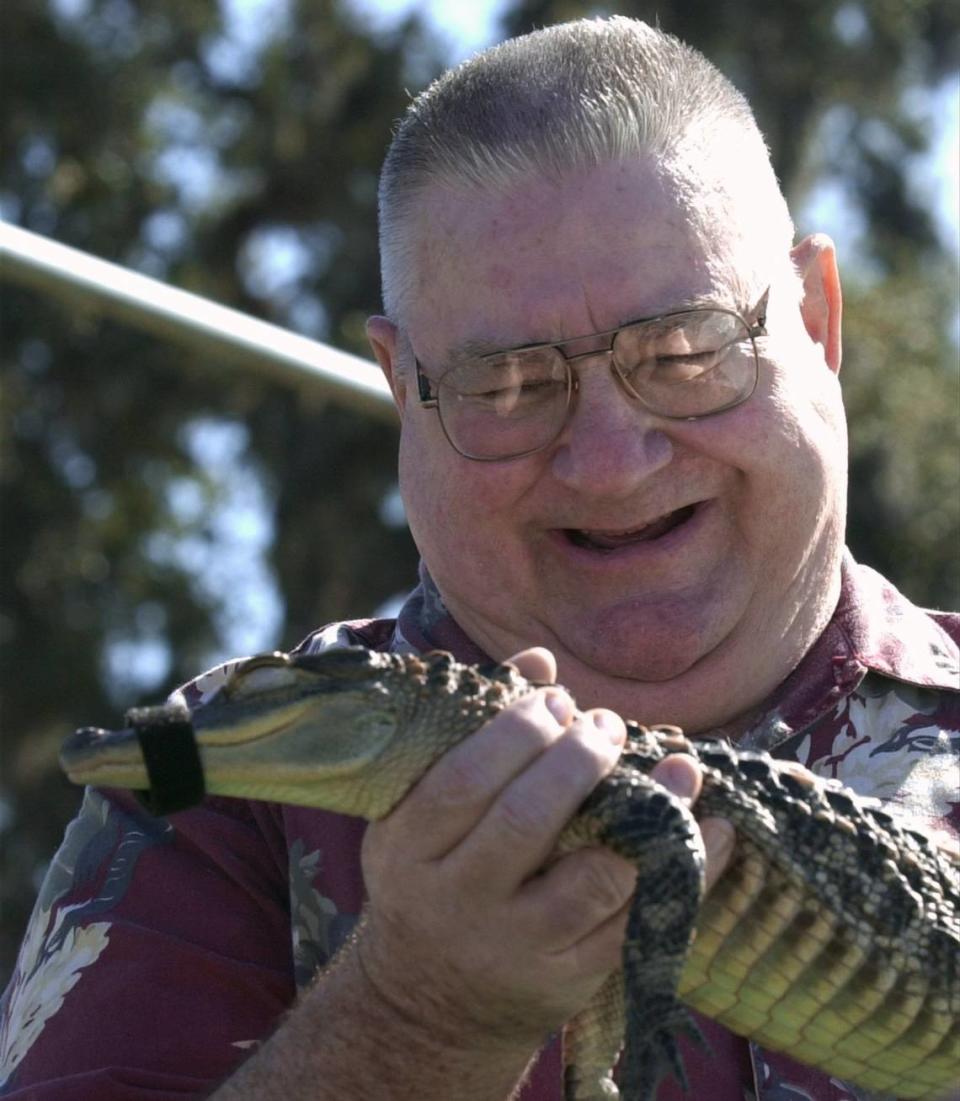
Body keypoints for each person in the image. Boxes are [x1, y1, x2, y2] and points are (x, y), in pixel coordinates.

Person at [2, 16, 957, 1101]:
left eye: (684, 352)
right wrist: (412, 1022)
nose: (608, 462)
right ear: (401, 386)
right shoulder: (217, 791)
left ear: (819, 322)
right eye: (508, 385)